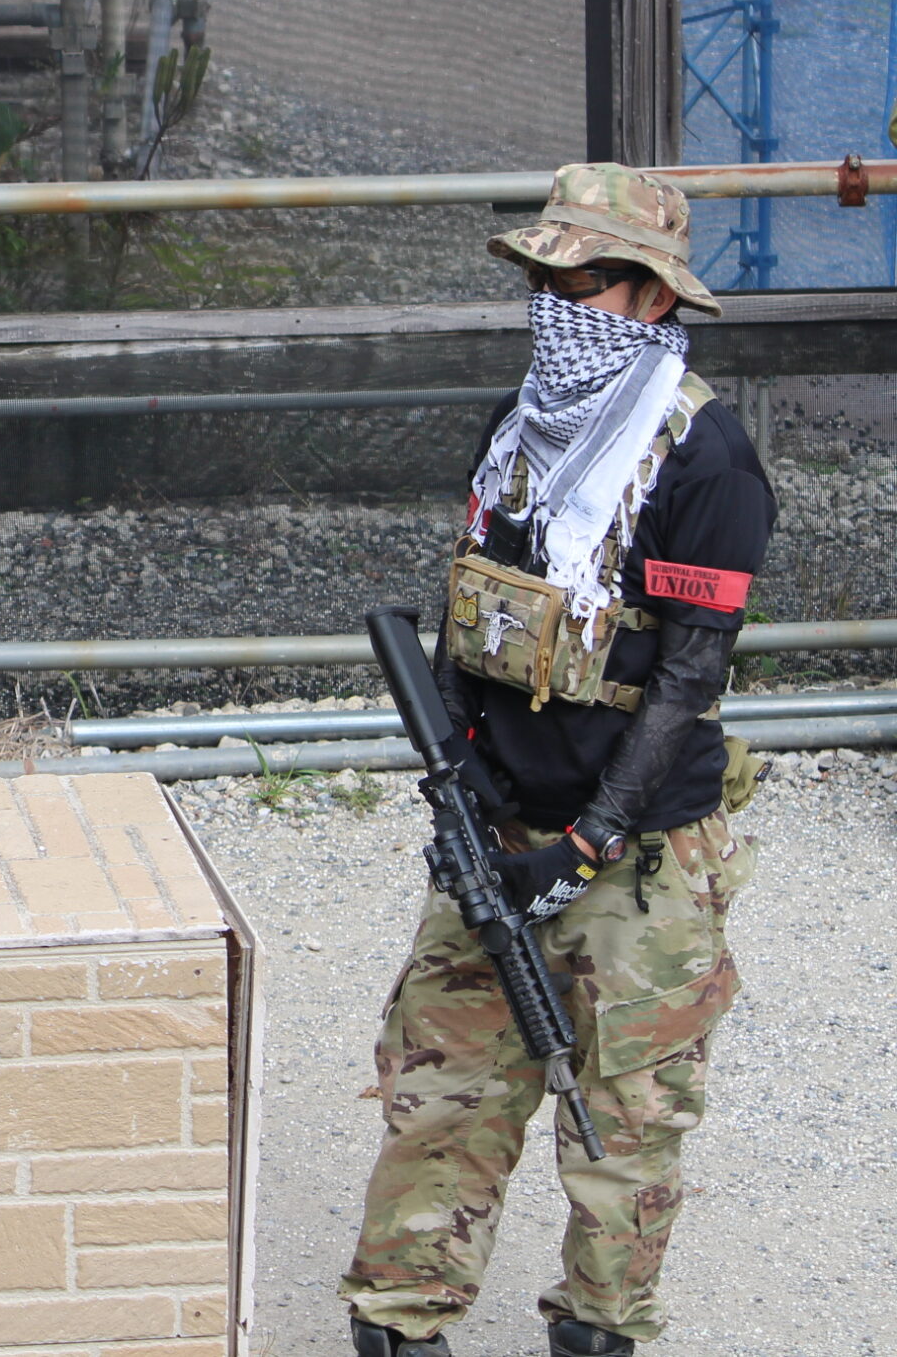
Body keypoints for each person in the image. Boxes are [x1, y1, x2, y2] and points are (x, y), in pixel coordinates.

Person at [341, 165, 774, 1357]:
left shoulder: (705, 458)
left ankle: (596, 1326)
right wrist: (460, 782)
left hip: (638, 853)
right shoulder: (518, 430)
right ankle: (401, 1319)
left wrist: (586, 843)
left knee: (624, 1120)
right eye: (541, 281)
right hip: (495, 823)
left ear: (650, 298)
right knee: (442, 1088)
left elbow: (689, 675)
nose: (552, 305)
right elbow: (465, 612)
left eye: (578, 284)